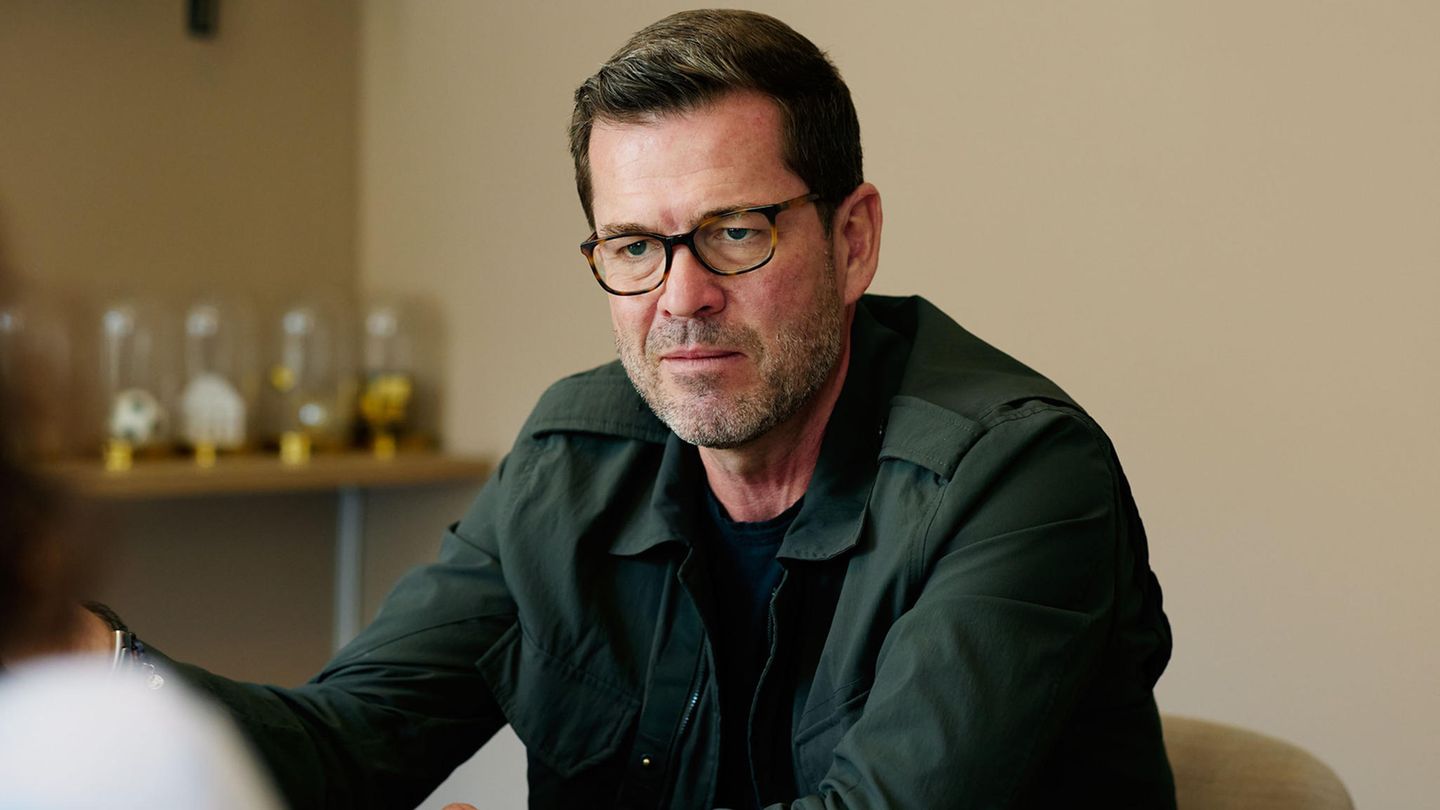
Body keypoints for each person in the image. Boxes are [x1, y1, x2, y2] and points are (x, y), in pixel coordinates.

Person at [73, 10, 1175, 809]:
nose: (681, 298)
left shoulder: (1019, 474)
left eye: (735, 233)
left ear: (852, 242)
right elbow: (347, 748)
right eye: (636, 246)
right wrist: (79, 658)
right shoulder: (572, 459)